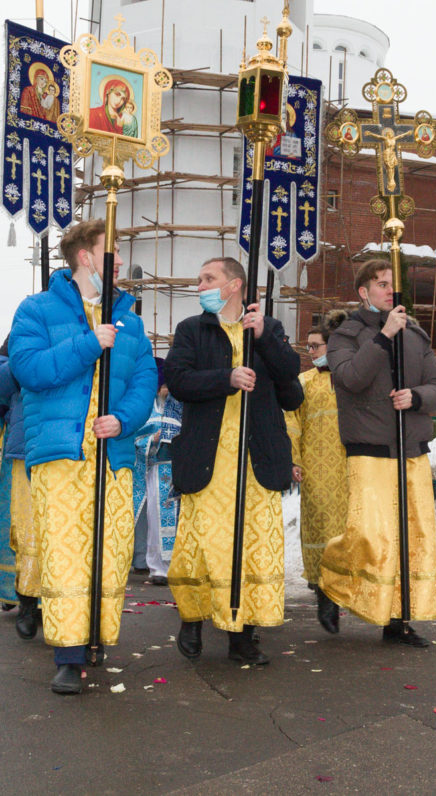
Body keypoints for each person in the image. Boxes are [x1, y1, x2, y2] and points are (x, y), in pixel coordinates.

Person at [9, 219, 157, 695]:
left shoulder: (130, 320)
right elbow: (28, 369)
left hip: (112, 454)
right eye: (109, 250)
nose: (118, 261)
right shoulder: (36, 309)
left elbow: (145, 380)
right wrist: (90, 342)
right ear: (86, 258)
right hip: (60, 454)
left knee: (110, 552)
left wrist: (124, 419)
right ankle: (68, 654)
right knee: (66, 552)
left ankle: (97, 636)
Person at [165, 257, 304, 666]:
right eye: (200, 278)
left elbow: (291, 383)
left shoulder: (269, 329)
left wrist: (263, 340)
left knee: (250, 549)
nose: (200, 285)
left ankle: (244, 633)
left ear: (234, 285)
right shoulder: (192, 329)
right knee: (202, 548)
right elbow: (178, 380)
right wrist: (225, 379)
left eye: (209, 278)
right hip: (208, 461)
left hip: (255, 459)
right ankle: (193, 617)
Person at [319, 261, 436, 647]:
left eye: (393, 284)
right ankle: (330, 582)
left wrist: (418, 397)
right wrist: (383, 337)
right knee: (370, 535)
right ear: (364, 292)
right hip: (370, 449)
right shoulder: (346, 335)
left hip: (411, 450)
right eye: (381, 284)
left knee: (412, 537)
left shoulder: (415, 335)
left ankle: (398, 621)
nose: (389, 290)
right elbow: (350, 379)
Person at [284, 315, 348, 634]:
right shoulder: (304, 381)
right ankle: (324, 594)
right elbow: (292, 423)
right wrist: (293, 460)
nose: (310, 351)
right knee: (322, 530)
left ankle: (347, 591)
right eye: (307, 346)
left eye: (315, 345)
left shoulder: (350, 377)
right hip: (316, 469)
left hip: (351, 468)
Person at [0, 341, 43, 637]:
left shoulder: (92, 321)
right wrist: (33, 358)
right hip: (26, 443)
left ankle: (63, 604)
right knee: (28, 528)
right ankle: (28, 601)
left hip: (77, 445)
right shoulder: (24, 326)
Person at [132, 360, 182, 586]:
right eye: (163, 387)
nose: (167, 391)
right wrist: (152, 439)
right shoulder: (147, 409)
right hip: (156, 470)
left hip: (178, 469)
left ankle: (176, 565)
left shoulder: (180, 406)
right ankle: (157, 567)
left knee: (179, 522)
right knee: (154, 521)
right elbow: (136, 438)